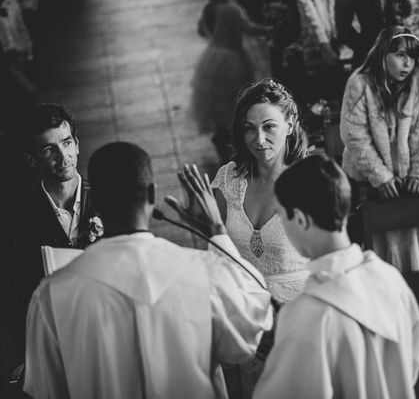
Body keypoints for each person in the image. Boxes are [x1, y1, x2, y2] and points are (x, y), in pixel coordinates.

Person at [23, 142, 273, 399]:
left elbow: (46, 390)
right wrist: (217, 232)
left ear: (95, 201)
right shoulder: (204, 271)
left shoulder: (52, 295)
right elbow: (252, 327)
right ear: (153, 194)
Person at [253, 154, 419, 399]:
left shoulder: (306, 315)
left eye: (280, 215)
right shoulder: (391, 279)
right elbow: (411, 365)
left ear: (300, 220)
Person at [340, 25, 419, 360]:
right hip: (375, 184)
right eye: (399, 54)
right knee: (389, 260)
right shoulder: (360, 84)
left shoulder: (415, 85)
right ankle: (397, 330)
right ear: (382, 54)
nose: (407, 63)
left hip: (409, 184)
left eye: (412, 56)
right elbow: (355, 136)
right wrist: (379, 176)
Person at [206, 79, 309, 397]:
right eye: (249, 129)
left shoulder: (311, 180)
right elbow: (215, 252)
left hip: (300, 318)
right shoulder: (228, 179)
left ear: (290, 124)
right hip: (247, 316)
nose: (259, 139)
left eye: (269, 127)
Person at [6, 104, 100, 364]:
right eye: (49, 149)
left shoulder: (108, 201)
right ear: (31, 159)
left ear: (77, 144)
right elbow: (15, 296)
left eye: (67, 143)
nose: (63, 156)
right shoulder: (18, 219)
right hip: (54, 346)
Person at [190, 0, 272, 161]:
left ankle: (221, 137)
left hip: (214, 56)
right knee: (235, 100)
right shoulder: (230, 10)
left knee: (218, 102)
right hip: (233, 59)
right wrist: (270, 29)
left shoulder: (209, 8)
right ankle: (234, 141)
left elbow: (202, 30)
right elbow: (248, 28)